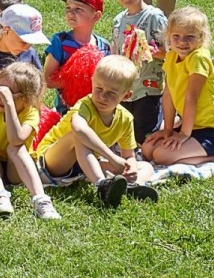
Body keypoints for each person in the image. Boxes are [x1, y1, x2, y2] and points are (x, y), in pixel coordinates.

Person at [33, 56, 158, 209]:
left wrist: (130, 167)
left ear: (126, 96)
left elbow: (128, 155)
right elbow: (79, 129)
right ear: (92, 82)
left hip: (84, 168)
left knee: (146, 166)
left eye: (111, 93)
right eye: (99, 89)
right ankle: (101, 186)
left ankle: (131, 187)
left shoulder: (125, 119)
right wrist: (111, 157)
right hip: (52, 164)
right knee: (78, 135)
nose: (102, 96)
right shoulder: (85, 105)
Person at [0, 62, 61, 219]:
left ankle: (41, 201)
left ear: (26, 99)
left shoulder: (31, 113)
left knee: (15, 147)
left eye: (7, 95)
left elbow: (16, 139)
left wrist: (9, 106)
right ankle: (0, 195)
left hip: (16, 171)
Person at [141, 7, 214, 165]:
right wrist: (168, 130)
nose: (182, 42)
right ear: (168, 36)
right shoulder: (172, 56)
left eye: (190, 37)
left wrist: (183, 134)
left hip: (213, 130)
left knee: (162, 156)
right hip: (189, 125)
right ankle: (190, 148)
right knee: (148, 150)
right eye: (176, 36)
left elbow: (191, 98)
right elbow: (168, 95)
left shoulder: (198, 58)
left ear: (201, 37)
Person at [104, 0, 167, 143]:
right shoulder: (118, 20)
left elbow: (171, 52)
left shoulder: (154, 16)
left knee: (144, 133)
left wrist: (149, 50)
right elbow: (115, 52)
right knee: (125, 131)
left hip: (148, 88)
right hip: (125, 87)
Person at [43, 0, 111, 112]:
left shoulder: (104, 46)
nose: (70, 13)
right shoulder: (60, 42)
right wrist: (77, 80)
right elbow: (48, 79)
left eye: (78, 9)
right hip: (66, 113)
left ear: (96, 16)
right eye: (68, 7)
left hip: (97, 112)